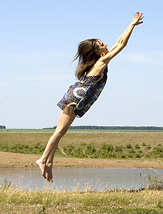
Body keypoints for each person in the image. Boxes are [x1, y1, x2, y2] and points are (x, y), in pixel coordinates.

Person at [36, 12, 144, 182]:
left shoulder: (100, 61)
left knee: (61, 132)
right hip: (75, 98)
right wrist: (131, 26)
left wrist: (130, 24)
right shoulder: (101, 62)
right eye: (102, 44)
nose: (106, 44)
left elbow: (117, 42)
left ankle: (48, 163)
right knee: (59, 132)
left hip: (76, 97)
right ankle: (42, 159)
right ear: (96, 51)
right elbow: (121, 44)